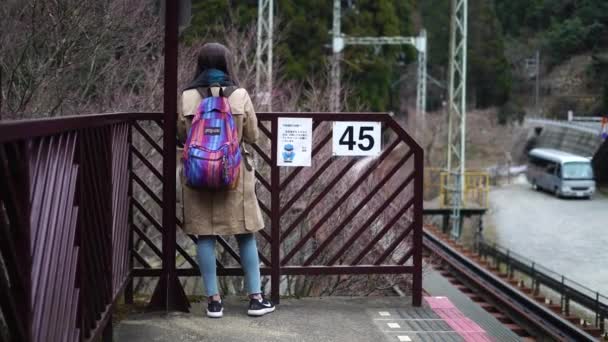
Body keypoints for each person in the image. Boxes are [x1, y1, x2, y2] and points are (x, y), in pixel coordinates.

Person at [178, 42, 274, 318]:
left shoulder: (186, 97)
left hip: (198, 174)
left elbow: (181, 135)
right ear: (228, 64)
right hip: (233, 174)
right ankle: (256, 299)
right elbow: (253, 136)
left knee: (205, 236)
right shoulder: (240, 95)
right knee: (245, 235)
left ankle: (214, 302)